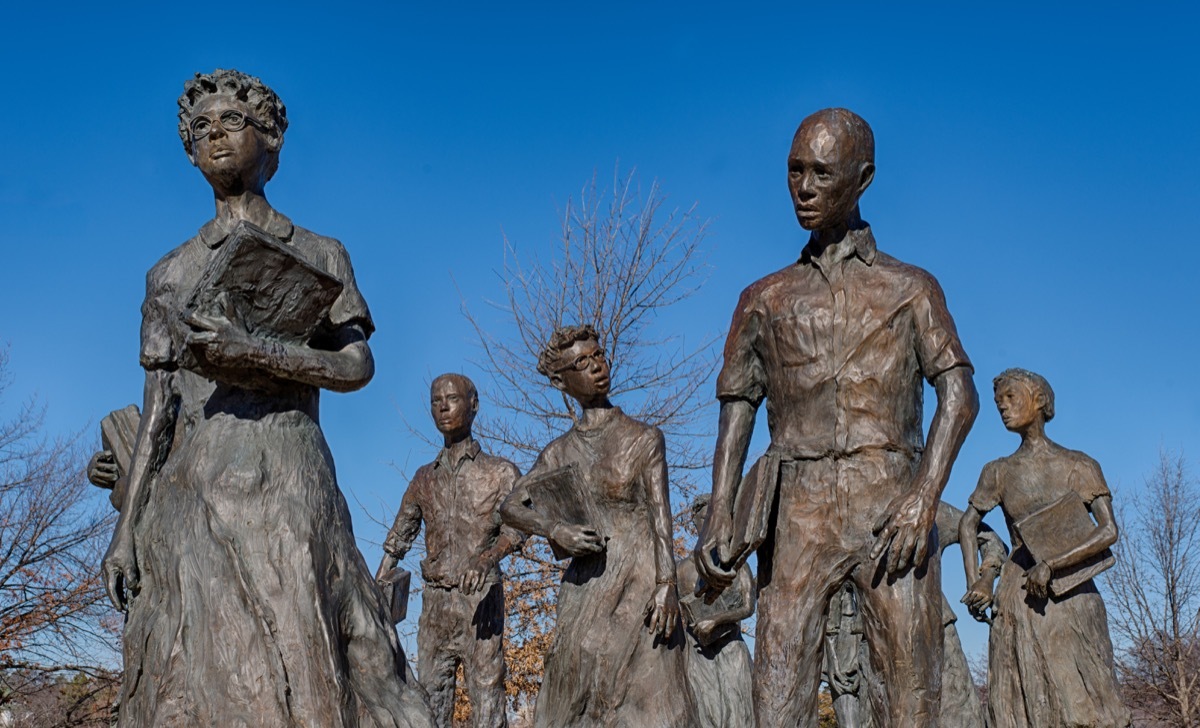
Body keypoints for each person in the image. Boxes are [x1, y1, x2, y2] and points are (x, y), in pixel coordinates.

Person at [99, 69, 433, 727]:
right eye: (200, 129)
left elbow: (356, 365)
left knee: (309, 656)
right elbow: (158, 408)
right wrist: (123, 533)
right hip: (196, 495)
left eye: (230, 122)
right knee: (208, 668)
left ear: (271, 137)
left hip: (289, 481)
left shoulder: (318, 252)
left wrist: (255, 353)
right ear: (188, 152)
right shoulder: (169, 272)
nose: (214, 136)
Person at [694, 108, 980, 726]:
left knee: (910, 694)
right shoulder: (764, 298)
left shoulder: (911, 287)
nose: (804, 187)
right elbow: (737, 403)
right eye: (794, 171)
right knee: (777, 690)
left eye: (822, 172)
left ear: (863, 178)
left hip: (891, 502)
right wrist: (721, 507)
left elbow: (959, 392)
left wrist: (925, 497)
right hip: (797, 505)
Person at [500, 324, 698, 727]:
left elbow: (662, 519)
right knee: (572, 697)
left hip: (641, 585)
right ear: (561, 380)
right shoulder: (557, 453)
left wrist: (667, 586)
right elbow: (510, 507)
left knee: (654, 703)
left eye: (599, 355)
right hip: (586, 592)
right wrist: (554, 529)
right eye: (581, 363)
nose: (597, 367)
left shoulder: (643, 438)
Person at [960, 369, 1131, 727]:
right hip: (1018, 595)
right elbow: (967, 523)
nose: (1003, 408)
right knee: (1020, 702)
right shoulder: (998, 471)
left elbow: (1108, 531)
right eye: (998, 403)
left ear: (1039, 401)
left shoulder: (1079, 465)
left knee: (1086, 703)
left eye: (1010, 398)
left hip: (1072, 596)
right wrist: (978, 582)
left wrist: (1052, 564)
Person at [377, 373, 523, 728]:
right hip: (436, 606)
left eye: (452, 398)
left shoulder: (500, 473)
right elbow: (400, 536)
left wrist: (488, 558)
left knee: (487, 699)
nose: (442, 407)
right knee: (430, 701)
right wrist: (377, 585)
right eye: (435, 400)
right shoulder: (424, 477)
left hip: (481, 602)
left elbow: (520, 527)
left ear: (473, 406)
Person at [822, 501, 1008, 728]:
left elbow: (989, 538)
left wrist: (984, 579)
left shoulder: (923, 508)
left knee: (958, 719)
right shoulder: (843, 513)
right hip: (872, 644)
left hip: (934, 636)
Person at [676, 495, 755, 728]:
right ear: (695, 522)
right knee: (703, 714)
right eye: (704, 518)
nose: (710, 523)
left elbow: (748, 607)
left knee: (740, 714)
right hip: (696, 652)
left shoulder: (735, 562)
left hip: (731, 648)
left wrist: (716, 619)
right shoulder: (680, 569)